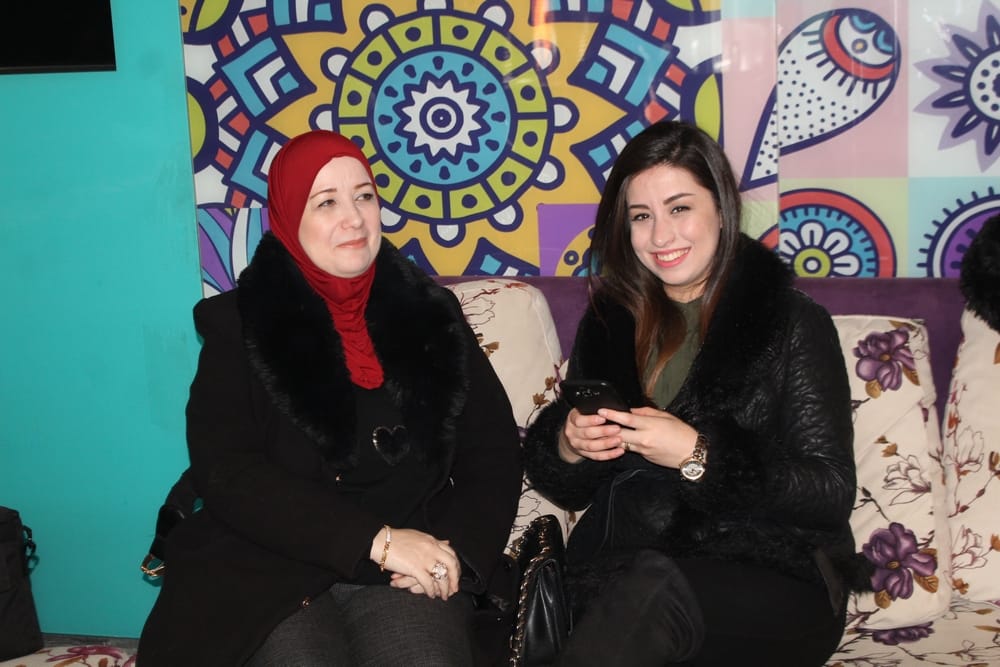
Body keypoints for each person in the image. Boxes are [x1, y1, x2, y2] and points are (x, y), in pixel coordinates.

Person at [138, 130, 523, 666]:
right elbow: (228, 472)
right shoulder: (238, 325)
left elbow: (494, 451)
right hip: (267, 563)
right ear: (289, 217)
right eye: (326, 203)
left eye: (364, 196)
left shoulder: (432, 315)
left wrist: (455, 552)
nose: (354, 219)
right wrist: (375, 540)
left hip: (406, 565)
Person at [523, 120, 871, 666]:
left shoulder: (791, 322)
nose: (661, 237)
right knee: (632, 593)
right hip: (626, 571)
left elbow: (830, 489)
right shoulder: (610, 322)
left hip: (775, 576)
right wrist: (570, 445)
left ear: (721, 208)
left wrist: (699, 456)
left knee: (651, 591)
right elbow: (570, 486)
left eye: (680, 208)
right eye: (642, 216)